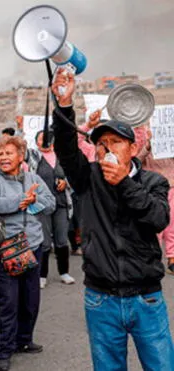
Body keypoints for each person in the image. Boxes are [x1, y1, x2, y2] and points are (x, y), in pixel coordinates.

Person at [52, 68, 174, 370]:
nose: (107, 148)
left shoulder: (152, 182)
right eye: (101, 143)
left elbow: (157, 218)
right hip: (101, 299)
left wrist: (124, 183)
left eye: (115, 142)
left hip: (146, 298)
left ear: (133, 148)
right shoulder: (88, 178)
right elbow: (67, 151)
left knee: (161, 366)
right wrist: (64, 105)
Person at [0, 135, 56, 371]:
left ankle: (24, 340)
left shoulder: (34, 178)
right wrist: (19, 200)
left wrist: (34, 201)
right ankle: (4, 350)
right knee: (8, 302)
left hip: (33, 245)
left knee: (30, 299)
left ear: (21, 155)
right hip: (5, 248)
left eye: (9, 153)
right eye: (0, 154)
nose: (4, 158)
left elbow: (51, 203)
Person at [32, 130, 75, 288]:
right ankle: (42, 275)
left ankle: (64, 272)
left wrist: (66, 183)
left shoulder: (61, 157)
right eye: (42, 139)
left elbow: (71, 175)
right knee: (44, 242)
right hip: (42, 205)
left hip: (61, 204)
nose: (45, 141)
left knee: (62, 240)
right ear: (36, 142)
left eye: (48, 138)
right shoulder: (33, 157)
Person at [136, 128, 174, 274]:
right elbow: (136, 160)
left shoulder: (170, 141)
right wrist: (148, 145)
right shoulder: (141, 137)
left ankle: (172, 257)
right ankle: (152, 257)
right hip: (152, 187)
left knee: (172, 224)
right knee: (154, 223)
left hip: (171, 185)